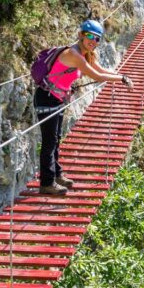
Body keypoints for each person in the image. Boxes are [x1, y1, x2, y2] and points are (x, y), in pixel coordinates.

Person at [36, 20, 133, 195]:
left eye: (97, 38)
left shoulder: (87, 53)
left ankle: (57, 174)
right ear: (81, 34)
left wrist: (121, 75)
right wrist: (122, 80)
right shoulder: (74, 54)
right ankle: (46, 183)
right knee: (49, 142)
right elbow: (97, 75)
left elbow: (101, 69)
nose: (93, 41)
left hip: (57, 98)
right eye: (89, 36)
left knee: (56, 138)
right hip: (47, 98)